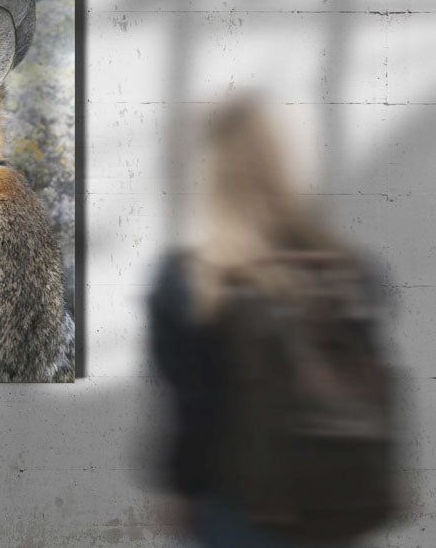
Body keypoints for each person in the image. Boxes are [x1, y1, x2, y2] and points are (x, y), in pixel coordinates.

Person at [147, 98, 395, 547]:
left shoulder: (190, 282)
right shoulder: (352, 270)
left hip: (240, 510)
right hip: (339, 503)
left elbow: (191, 415)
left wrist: (182, 492)